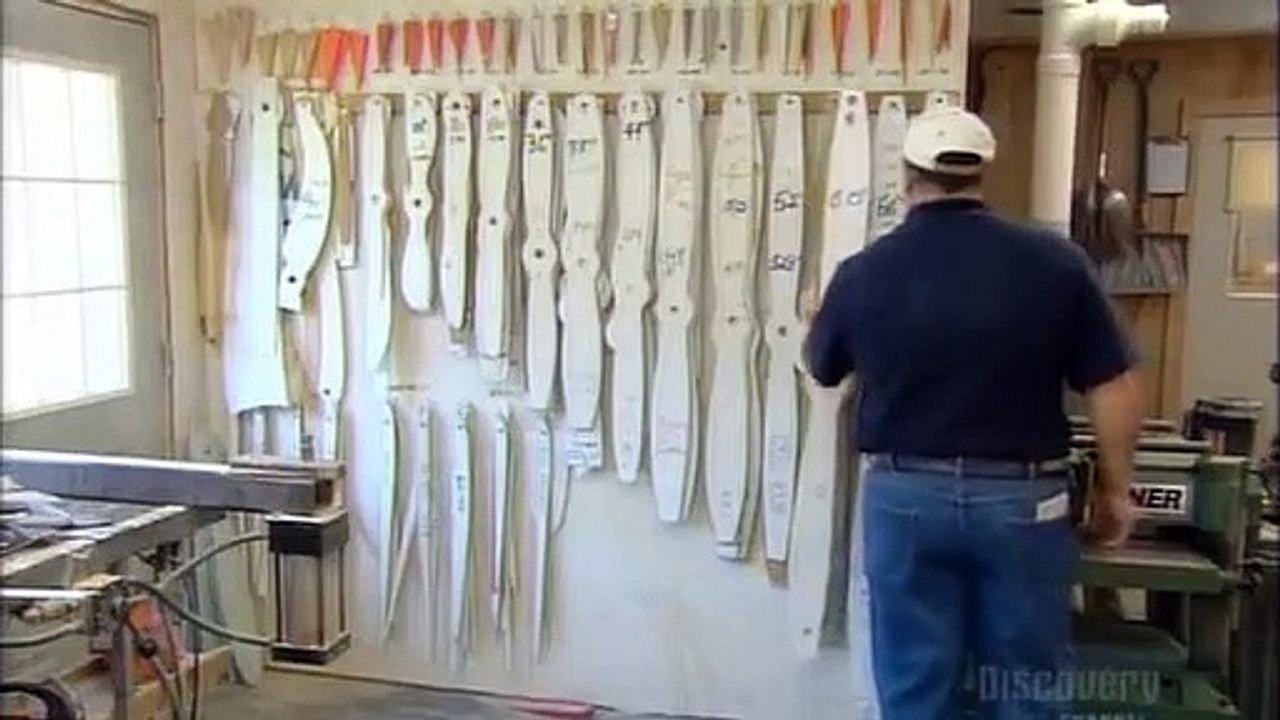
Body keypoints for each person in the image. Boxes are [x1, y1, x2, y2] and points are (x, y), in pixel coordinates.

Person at [803, 107, 1145, 719]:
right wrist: (1117, 490)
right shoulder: (1056, 264)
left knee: (914, 687)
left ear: (907, 179)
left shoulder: (863, 274)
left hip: (904, 496)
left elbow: (825, 369)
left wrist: (818, 317)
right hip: (1022, 501)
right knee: (1028, 685)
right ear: (984, 172)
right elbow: (1112, 385)